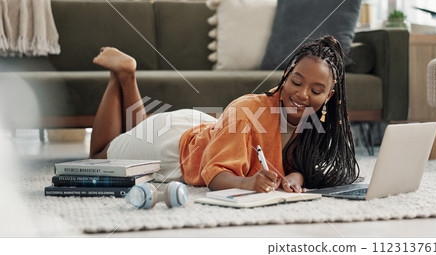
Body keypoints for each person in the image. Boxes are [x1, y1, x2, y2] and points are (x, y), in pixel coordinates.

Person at [89, 35, 359, 193]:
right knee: (100, 155)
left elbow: (300, 164)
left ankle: (125, 76)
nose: (302, 95)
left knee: (140, 128)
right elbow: (214, 174)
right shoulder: (247, 109)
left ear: (328, 97)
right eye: (297, 83)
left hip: (211, 129)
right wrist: (248, 183)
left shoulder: (314, 120)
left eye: (316, 90)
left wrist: (296, 177)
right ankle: (122, 74)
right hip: (175, 148)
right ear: (286, 77)